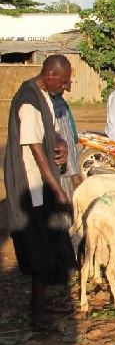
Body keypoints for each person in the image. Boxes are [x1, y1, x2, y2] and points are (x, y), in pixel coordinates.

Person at [4, 54, 78, 330]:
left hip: (41, 183)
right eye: (64, 81)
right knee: (38, 247)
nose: (66, 87)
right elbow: (35, 150)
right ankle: (37, 313)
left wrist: (60, 142)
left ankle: (43, 303)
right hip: (31, 183)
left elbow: (50, 131)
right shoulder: (28, 101)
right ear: (50, 74)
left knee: (48, 240)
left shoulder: (44, 96)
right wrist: (58, 189)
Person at [50, 78, 82, 202]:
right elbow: (64, 139)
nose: (71, 83)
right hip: (65, 166)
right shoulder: (57, 104)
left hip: (68, 159)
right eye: (68, 80)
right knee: (67, 200)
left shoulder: (59, 101)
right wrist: (74, 174)